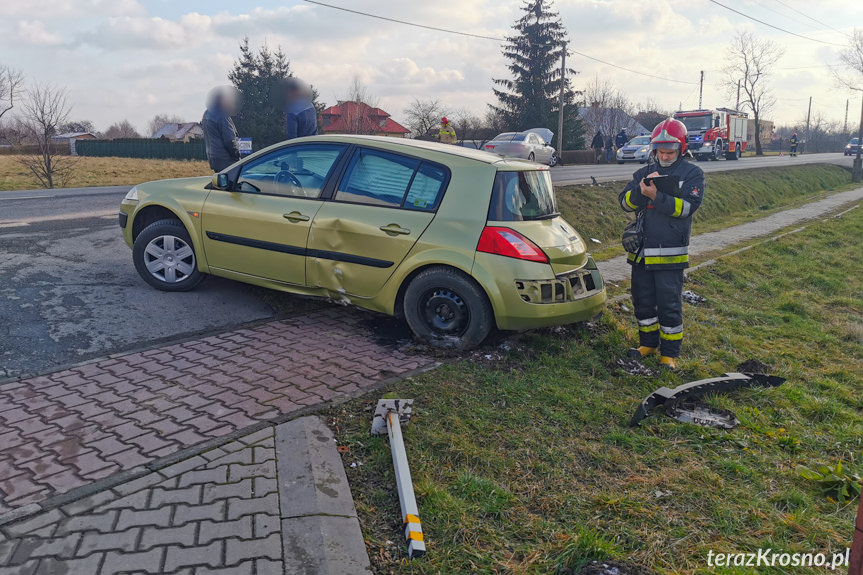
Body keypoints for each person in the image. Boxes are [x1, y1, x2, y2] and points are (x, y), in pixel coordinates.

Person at [618, 118, 705, 370]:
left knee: (669, 304)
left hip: (669, 253)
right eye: (660, 151)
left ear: (681, 149)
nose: (664, 156)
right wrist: (640, 193)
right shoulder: (643, 173)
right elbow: (624, 203)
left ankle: (669, 355)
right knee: (642, 300)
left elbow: (687, 208)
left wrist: (657, 196)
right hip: (641, 253)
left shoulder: (692, 174)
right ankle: (648, 344)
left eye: (670, 152)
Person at [202, 86, 241, 173]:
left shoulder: (207, 114)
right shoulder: (221, 115)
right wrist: (237, 157)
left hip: (215, 161)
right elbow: (229, 141)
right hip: (228, 161)